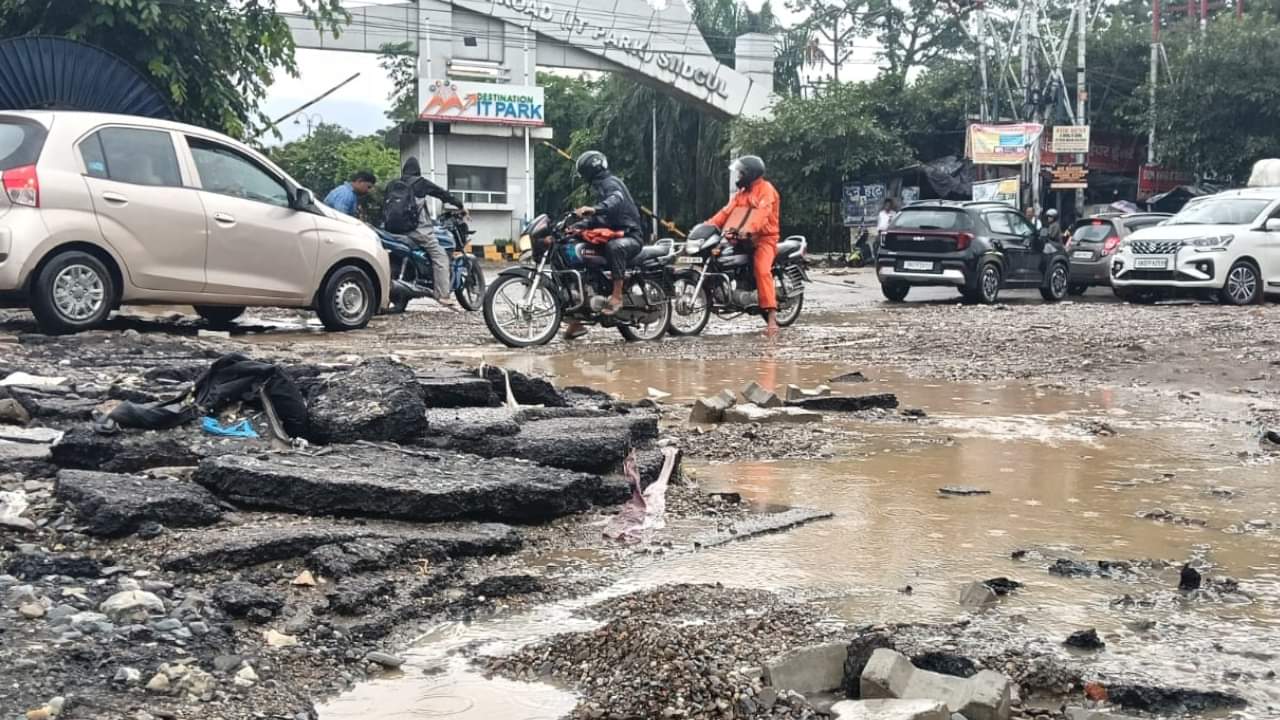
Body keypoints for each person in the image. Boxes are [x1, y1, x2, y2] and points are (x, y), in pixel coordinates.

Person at [564, 150, 644, 340]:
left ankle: (616, 296)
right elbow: (599, 219)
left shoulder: (611, 184)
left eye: (584, 173)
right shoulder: (599, 188)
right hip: (613, 234)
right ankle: (577, 320)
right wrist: (575, 226)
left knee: (614, 248)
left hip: (630, 236)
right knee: (577, 255)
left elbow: (615, 201)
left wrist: (594, 209)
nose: (584, 178)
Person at [705, 155, 782, 334]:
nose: (738, 176)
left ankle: (771, 318)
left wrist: (749, 231)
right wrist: (706, 226)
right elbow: (725, 213)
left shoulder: (766, 190)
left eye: (741, 173)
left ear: (750, 173)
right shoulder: (742, 194)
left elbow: (762, 215)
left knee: (762, 270)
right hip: (740, 238)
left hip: (764, 239)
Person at [395, 157, 464, 307]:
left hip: (392, 231)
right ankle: (443, 295)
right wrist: (460, 205)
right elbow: (442, 194)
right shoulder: (420, 183)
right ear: (418, 170)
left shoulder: (394, 184)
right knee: (440, 256)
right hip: (415, 231)